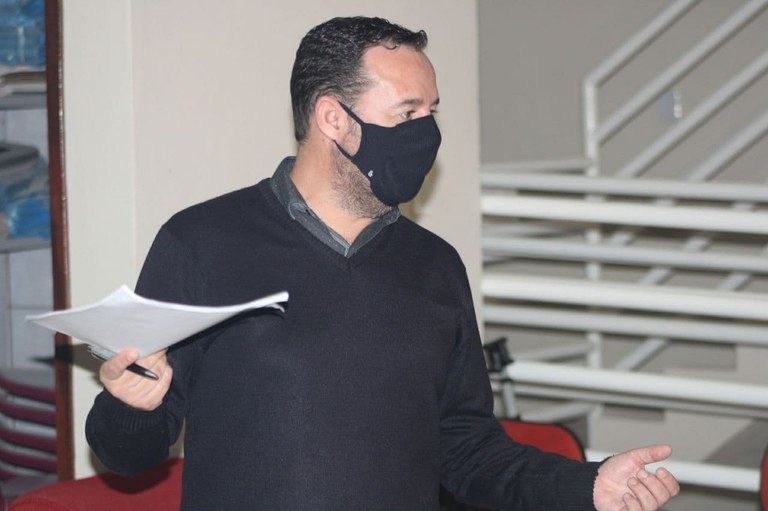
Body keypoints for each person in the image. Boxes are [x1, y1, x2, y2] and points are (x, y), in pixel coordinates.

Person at [86, 16, 680, 511]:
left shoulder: (435, 266)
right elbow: (129, 456)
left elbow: (466, 449)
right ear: (332, 117)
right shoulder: (203, 242)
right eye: (407, 113)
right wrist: (128, 404)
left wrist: (587, 486)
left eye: (432, 111)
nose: (428, 134)